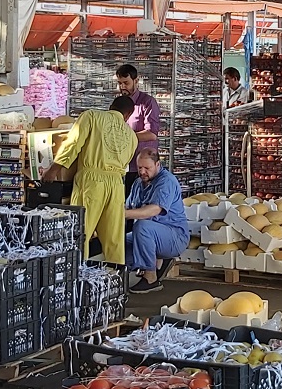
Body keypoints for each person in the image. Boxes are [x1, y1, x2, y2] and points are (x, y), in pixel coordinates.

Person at [48, 95, 138, 265]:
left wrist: (54, 169)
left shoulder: (92, 116)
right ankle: (115, 279)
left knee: (81, 232)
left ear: (110, 105)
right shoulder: (132, 135)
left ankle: (77, 275)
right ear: (128, 115)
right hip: (117, 185)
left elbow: (73, 144)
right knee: (114, 238)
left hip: (92, 181)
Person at [123, 150, 189, 292]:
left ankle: (150, 277)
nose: (142, 172)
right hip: (151, 235)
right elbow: (127, 205)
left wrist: (123, 214)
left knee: (142, 226)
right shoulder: (138, 183)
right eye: (140, 168)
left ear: (158, 164)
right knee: (119, 242)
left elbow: (154, 210)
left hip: (175, 236)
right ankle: (156, 262)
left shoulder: (167, 181)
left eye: (147, 168)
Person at [115, 64, 160, 172]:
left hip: (142, 167)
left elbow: (152, 134)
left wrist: (125, 137)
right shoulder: (118, 103)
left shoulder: (148, 102)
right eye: (119, 83)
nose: (122, 87)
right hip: (122, 164)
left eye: (126, 83)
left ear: (136, 81)